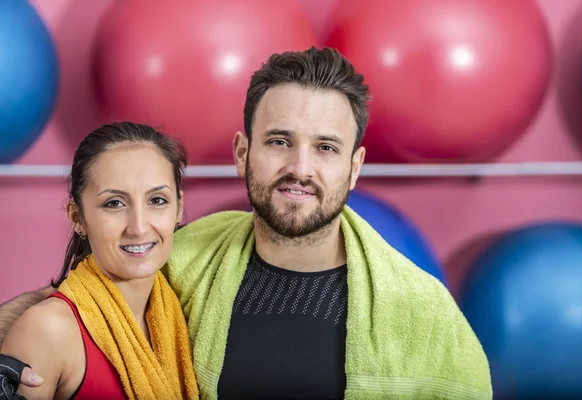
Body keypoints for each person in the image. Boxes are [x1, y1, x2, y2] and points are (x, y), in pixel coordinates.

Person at [0, 47, 492, 399]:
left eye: (325, 147)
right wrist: (18, 330)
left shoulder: (425, 313)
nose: (300, 168)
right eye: (279, 141)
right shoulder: (184, 264)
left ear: (355, 166)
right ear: (243, 152)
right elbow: (93, 301)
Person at [0, 122, 199, 399]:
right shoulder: (48, 330)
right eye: (114, 203)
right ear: (77, 217)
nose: (138, 227)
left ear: (178, 207)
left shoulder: (191, 313)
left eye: (157, 200)